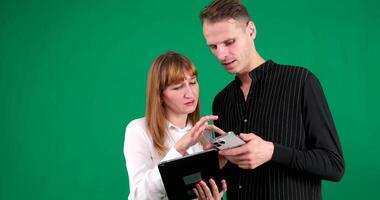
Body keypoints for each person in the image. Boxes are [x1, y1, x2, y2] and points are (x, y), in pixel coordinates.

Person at [199, 0, 345, 199]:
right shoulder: (222, 100)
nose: (221, 54)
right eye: (213, 46)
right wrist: (216, 163)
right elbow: (228, 178)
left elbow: (334, 165)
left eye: (229, 42)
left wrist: (272, 151)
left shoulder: (301, 81)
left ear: (251, 30)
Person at [123, 51, 227, 200]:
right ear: (159, 95)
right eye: (178, 87)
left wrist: (216, 169)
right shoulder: (138, 130)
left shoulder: (205, 133)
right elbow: (139, 197)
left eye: (192, 82)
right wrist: (179, 149)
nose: (189, 93)